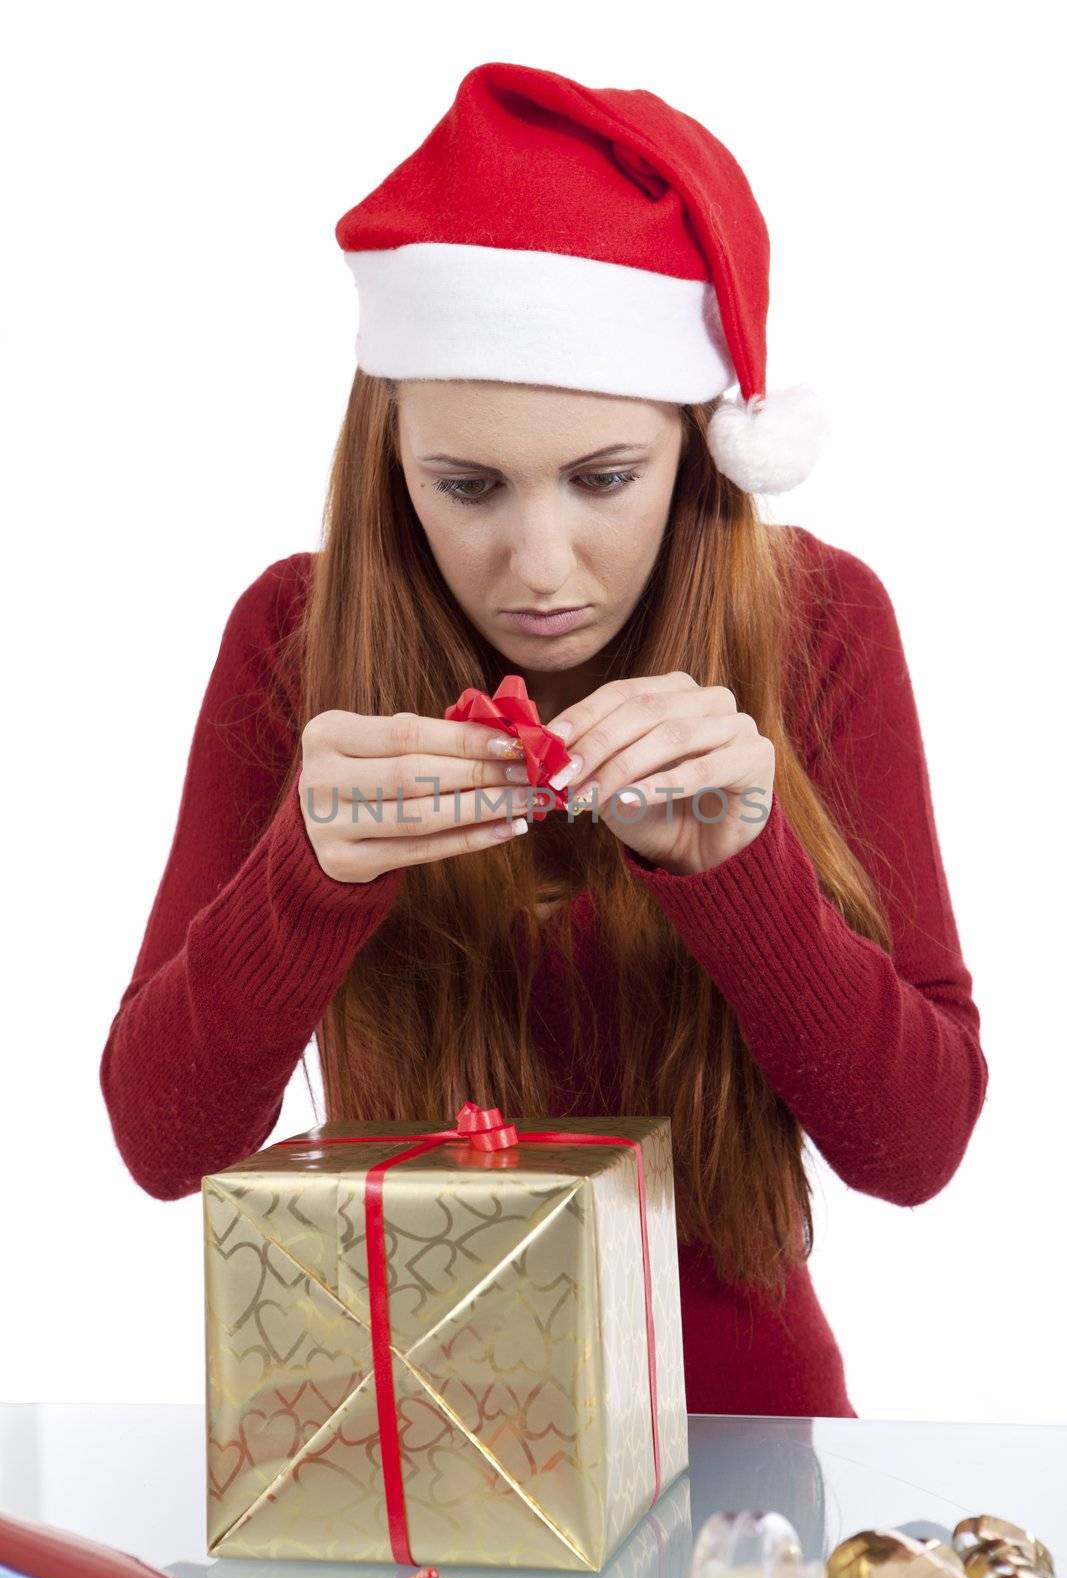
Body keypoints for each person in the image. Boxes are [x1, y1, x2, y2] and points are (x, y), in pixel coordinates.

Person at [99, 61, 988, 1418]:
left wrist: (740, 872)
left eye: (602, 479)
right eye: (468, 487)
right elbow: (165, 1146)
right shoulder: (290, 634)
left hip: (737, 1439)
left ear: (699, 449)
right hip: (397, 1441)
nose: (539, 564)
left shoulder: (823, 626)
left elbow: (917, 1149)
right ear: (389, 461)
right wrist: (307, 879)